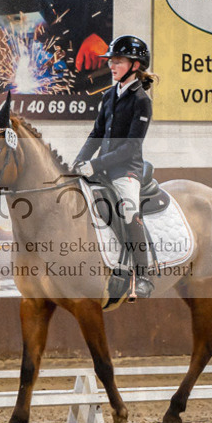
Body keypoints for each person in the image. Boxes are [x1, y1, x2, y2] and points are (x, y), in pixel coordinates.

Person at [73, 34, 157, 299]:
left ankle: (143, 275)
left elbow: (130, 148)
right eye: (111, 61)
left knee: (130, 211)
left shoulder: (141, 100)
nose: (111, 66)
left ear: (135, 65)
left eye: (117, 61)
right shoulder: (109, 95)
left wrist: (95, 165)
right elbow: (96, 134)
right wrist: (77, 163)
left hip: (126, 171)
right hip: (101, 168)